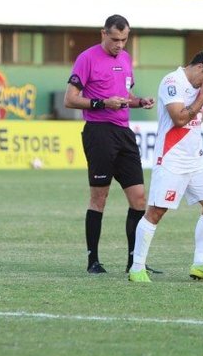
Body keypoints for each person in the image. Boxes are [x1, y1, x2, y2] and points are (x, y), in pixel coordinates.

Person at [64, 14, 157, 274]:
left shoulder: (126, 59)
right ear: (103, 33)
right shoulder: (87, 58)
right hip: (99, 132)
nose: (119, 44)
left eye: (124, 39)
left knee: (139, 198)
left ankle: (134, 262)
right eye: (115, 39)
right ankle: (93, 260)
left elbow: (124, 95)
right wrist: (102, 103)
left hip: (123, 132)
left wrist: (139, 101)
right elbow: (70, 99)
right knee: (99, 198)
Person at [128, 50, 203, 283]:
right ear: (200, 68)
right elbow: (180, 118)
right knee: (156, 212)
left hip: (196, 158)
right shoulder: (172, 81)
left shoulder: (202, 86)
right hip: (172, 159)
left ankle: (201, 264)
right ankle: (137, 268)